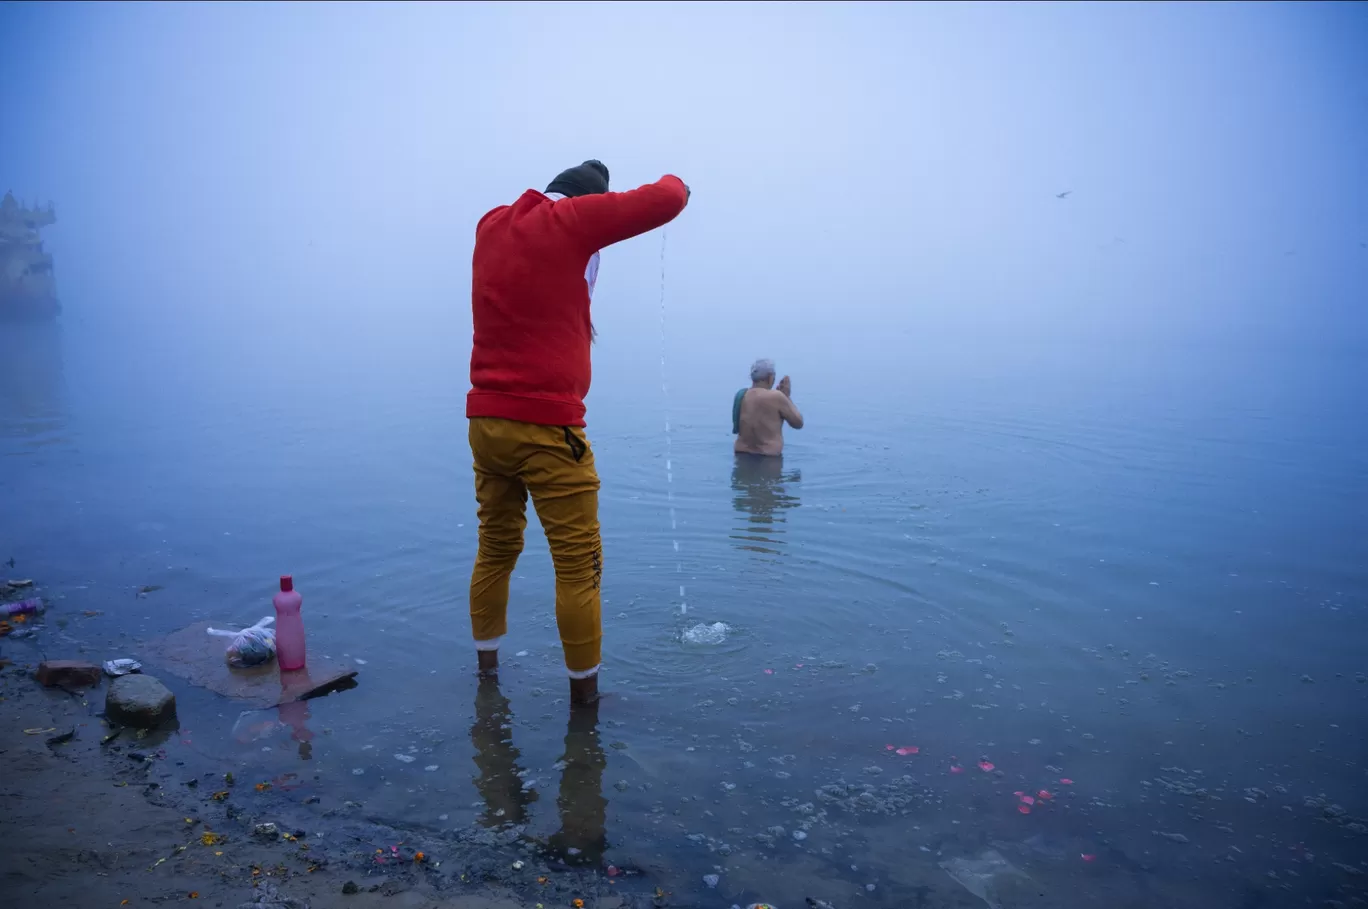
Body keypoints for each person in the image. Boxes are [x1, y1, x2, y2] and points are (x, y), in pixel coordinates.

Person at [467, 159, 690, 706]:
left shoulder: (491, 224)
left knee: (495, 547)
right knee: (579, 564)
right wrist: (679, 178)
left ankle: (487, 673)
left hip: (486, 423)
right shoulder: (570, 221)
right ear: (584, 201)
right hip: (548, 428)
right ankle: (585, 704)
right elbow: (667, 199)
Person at [733, 358, 803, 456]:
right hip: (767, 457)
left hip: (741, 453)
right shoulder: (777, 396)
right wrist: (787, 397)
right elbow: (798, 423)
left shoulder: (742, 395)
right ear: (770, 377)